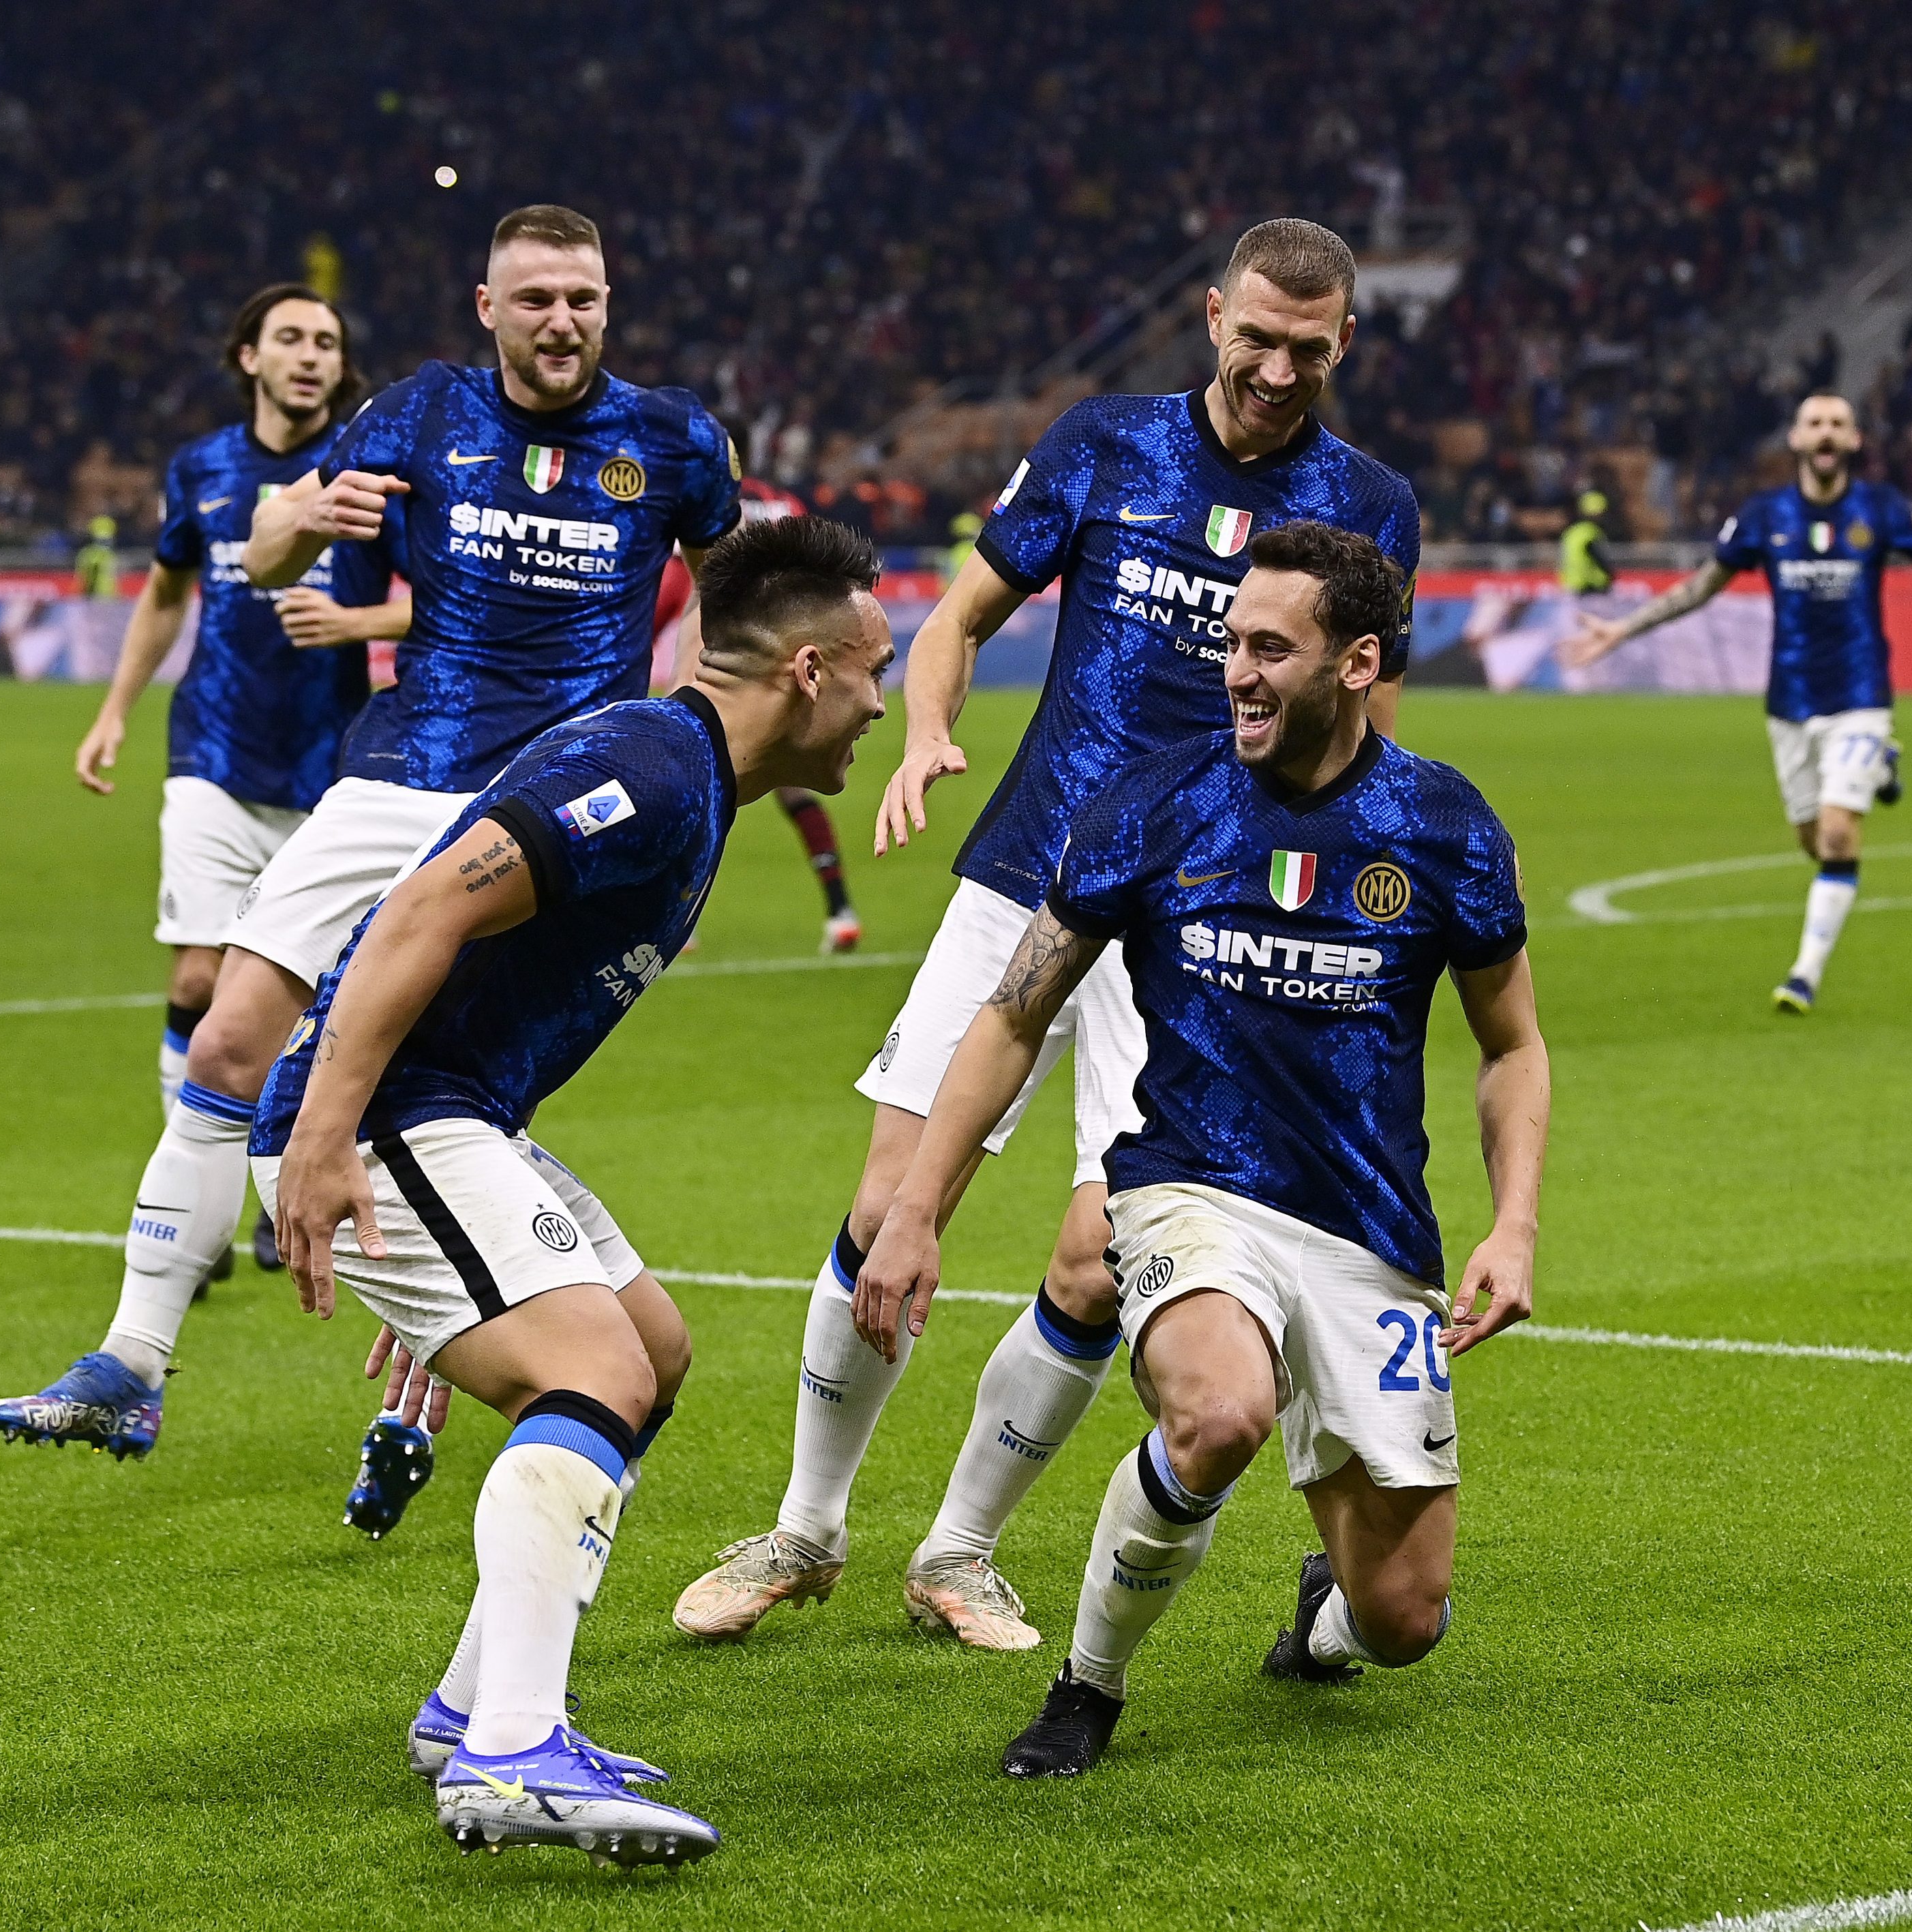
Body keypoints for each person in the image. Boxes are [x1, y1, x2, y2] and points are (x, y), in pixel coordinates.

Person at [674, 217, 1423, 1652]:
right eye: (1258, 339)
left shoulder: (1367, 505)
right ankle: (804, 1528)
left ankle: (958, 1553)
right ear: (1214, 315)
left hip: (1200, 924)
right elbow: (959, 618)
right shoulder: (1103, 443)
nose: (1277, 371)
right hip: (1031, 869)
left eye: (1309, 349)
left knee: (1099, 1255)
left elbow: (1367, 727)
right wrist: (928, 732)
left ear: (1345, 342)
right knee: (892, 1202)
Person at [0, 205, 740, 1492]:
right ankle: (131, 1362)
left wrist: (681, 740)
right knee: (227, 1042)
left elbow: (732, 604)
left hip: (551, 811)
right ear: (488, 307)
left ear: (609, 304)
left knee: (446, 1098)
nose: (563, 320)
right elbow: (266, 549)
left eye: (584, 297)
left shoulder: (673, 438)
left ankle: (431, 1394)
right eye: (537, 298)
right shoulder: (420, 411)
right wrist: (303, 520)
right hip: (400, 776)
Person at [857, 520, 1548, 1775]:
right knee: (1221, 1415)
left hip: (1370, 1229)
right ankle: (1087, 1684)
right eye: (1232, 642)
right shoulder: (1155, 802)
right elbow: (1013, 1014)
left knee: (1404, 1619)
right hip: (1191, 1188)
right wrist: (915, 1208)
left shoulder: (1442, 824)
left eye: (1271, 648)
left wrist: (1514, 1222)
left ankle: (1323, 1618)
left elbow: (1513, 1045)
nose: (1236, 670)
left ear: (1357, 662)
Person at [255, 515, 891, 1865]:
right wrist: (326, 1137)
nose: (882, 704)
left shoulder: (694, 776)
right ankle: (512, 1752)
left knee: (649, 1348)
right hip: (390, 1112)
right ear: (811, 668)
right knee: (592, 1366)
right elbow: (425, 908)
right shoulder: (649, 764)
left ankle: (472, 1708)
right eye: (875, 670)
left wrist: (472, 1260)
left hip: (451, 1117)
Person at [70, 283, 397, 1174]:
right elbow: (166, 594)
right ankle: (191, 1189)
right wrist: (113, 711)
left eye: (325, 342)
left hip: (333, 767)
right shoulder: (202, 467)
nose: (309, 356)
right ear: (250, 357)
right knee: (196, 975)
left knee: (305, 994)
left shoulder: (373, 470)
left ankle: (279, 1176)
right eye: (290, 338)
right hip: (212, 748)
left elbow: (450, 602)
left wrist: (356, 622)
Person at [1566, 393, 1912, 1012]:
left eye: (1838, 424)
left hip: (1860, 695)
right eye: (1815, 424)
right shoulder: (1765, 514)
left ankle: (1804, 975)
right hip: (1790, 702)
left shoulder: (1882, 508)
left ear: (1855, 440)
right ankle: (1879, 767)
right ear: (1797, 439)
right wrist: (1624, 629)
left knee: (1837, 836)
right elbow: (1702, 588)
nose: (1826, 433)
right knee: (1814, 841)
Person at [654, 462, 864, 952]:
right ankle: (840, 911)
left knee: (693, 789)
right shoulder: (782, 505)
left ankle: (675, 917)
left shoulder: (702, 507)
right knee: (794, 788)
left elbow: (673, 593)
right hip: (786, 671)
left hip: (720, 681)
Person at [1557, 488, 1614, 594]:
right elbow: (1597, 556)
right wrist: (1609, 573)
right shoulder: (1591, 532)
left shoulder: (1572, 531)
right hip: (1590, 586)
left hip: (1570, 585)